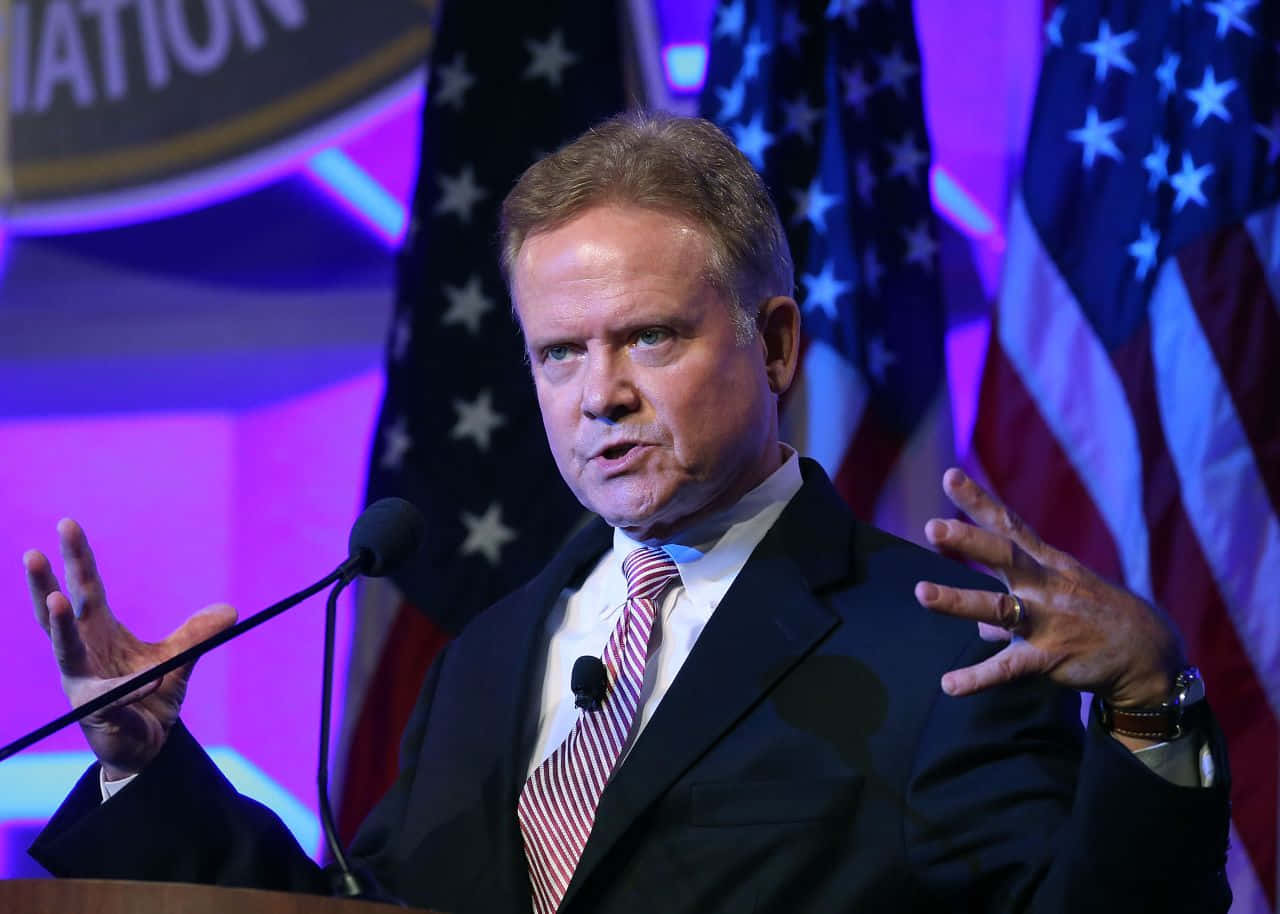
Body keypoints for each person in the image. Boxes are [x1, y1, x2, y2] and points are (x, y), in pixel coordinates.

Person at [24, 113, 1230, 913]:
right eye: (559, 352)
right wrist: (148, 764)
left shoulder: (932, 646)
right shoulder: (487, 656)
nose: (597, 393)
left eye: (647, 337)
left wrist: (1146, 708)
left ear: (773, 343)